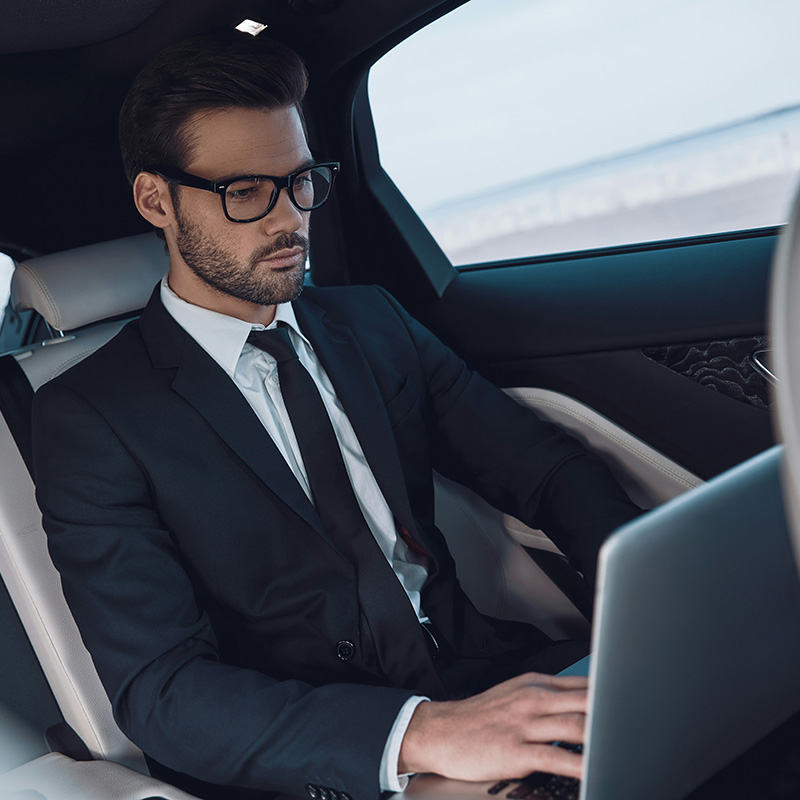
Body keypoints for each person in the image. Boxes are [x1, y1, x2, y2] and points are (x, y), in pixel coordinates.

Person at [31, 30, 641, 800]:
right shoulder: (91, 419)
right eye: (245, 192)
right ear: (157, 201)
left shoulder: (371, 323)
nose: (289, 220)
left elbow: (544, 469)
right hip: (324, 759)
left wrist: (652, 604)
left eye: (300, 182)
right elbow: (164, 691)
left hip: (483, 678)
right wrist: (422, 738)